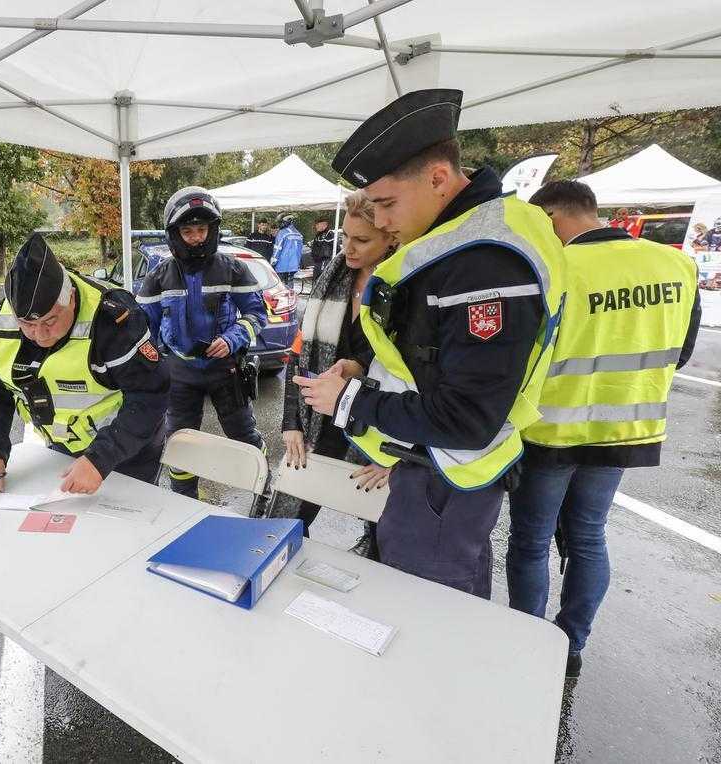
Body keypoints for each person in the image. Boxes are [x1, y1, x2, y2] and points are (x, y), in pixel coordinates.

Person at [294, 88, 566, 599]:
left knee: (430, 611)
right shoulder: (456, 241)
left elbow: (467, 416)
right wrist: (362, 372)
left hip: (447, 474)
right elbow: (430, 359)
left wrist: (349, 399)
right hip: (427, 467)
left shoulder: (484, 261)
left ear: (439, 178)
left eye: (387, 204)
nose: (380, 222)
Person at [507, 180, 700, 679]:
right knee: (589, 537)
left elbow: (521, 357)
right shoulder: (676, 264)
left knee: (531, 542)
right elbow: (681, 353)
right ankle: (571, 645)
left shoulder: (557, 268)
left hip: (551, 431)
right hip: (628, 431)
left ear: (552, 220)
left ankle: (529, 646)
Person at [0, 233, 168, 498]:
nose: (39, 335)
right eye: (25, 324)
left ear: (70, 298)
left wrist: (99, 459)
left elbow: (150, 396)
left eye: (50, 322)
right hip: (63, 443)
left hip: (126, 447)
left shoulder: (113, 321)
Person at [138, 187, 268, 498]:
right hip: (179, 377)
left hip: (226, 371)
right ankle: (185, 502)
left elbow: (257, 314)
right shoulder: (158, 276)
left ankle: (264, 493)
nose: (196, 237)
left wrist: (232, 338)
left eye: (201, 229)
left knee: (244, 437)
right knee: (180, 445)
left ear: (212, 230)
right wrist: (150, 368)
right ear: (175, 233)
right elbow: (143, 333)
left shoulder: (234, 268)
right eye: (187, 230)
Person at [281, 191, 393, 551]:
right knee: (289, 511)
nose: (348, 248)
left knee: (382, 525)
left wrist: (399, 458)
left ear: (391, 235)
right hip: (322, 415)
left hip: (381, 420)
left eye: (361, 239)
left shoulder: (407, 285)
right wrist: (291, 423)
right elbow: (299, 355)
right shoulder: (330, 276)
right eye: (345, 236)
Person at [271, 213, 304, 283]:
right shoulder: (299, 234)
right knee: (290, 286)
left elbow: (277, 249)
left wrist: (272, 262)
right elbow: (300, 251)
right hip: (294, 266)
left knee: (280, 288)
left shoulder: (282, 233)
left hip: (282, 266)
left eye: (281, 222)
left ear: (286, 222)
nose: (279, 224)